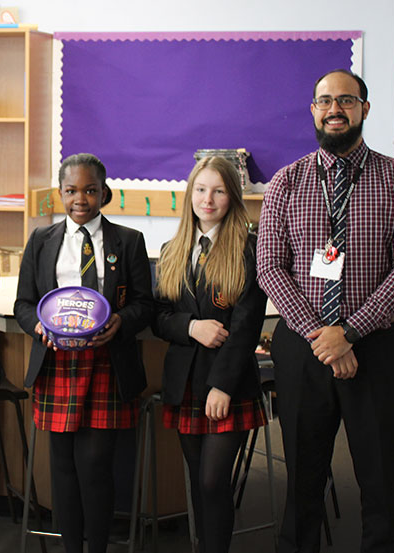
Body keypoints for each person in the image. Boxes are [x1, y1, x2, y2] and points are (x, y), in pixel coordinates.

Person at [257, 70, 394, 553]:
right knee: (303, 479)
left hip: (375, 349)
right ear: (314, 110)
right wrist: (323, 336)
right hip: (303, 349)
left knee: (380, 481)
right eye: (326, 101)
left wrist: (349, 332)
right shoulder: (287, 182)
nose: (335, 109)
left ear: (364, 109)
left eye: (347, 100)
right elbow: (269, 267)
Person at [14, 153, 153, 553]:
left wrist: (121, 321)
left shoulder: (129, 241)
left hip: (107, 363)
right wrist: (38, 325)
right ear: (60, 193)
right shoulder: (40, 240)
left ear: (103, 193)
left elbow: (145, 304)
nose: (81, 199)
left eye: (90, 190)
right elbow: (24, 304)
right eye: (72, 190)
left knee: (94, 465)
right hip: (57, 362)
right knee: (62, 467)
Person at [153, 156, 268, 553]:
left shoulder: (249, 249)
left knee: (213, 481)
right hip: (185, 383)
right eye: (201, 190)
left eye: (218, 191)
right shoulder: (173, 249)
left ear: (232, 197)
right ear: (190, 194)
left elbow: (247, 326)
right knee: (197, 480)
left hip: (227, 386)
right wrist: (191, 327)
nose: (208, 199)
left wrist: (222, 386)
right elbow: (159, 317)